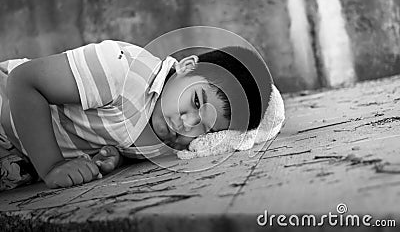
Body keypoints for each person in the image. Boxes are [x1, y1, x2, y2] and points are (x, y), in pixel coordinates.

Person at [0, 40, 270, 190]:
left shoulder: (171, 140)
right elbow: (23, 82)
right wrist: (52, 166)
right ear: (187, 67)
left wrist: (111, 158)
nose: (187, 123)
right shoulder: (120, 69)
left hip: (17, 160)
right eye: (196, 101)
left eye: (206, 128)